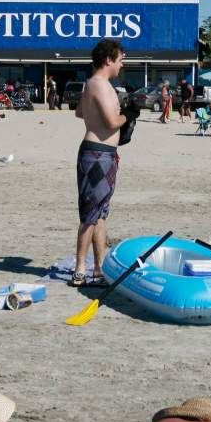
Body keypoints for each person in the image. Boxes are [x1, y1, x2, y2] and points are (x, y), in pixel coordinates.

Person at [72, 38, 131, 287]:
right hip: (97, 155)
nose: (121, 65)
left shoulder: (94, 84)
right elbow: (111, 122)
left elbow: (79, 112)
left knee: (101, 214)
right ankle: (80, 270)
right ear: (108, 59)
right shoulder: (99, 84)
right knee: (90, 215)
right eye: (120, 60)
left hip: (102, 154)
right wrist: (129, 114)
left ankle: (99, 268)